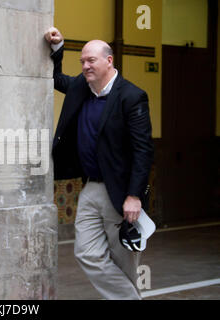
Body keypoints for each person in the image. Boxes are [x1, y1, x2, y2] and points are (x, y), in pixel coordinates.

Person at [44, 27, 154, 299]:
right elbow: (56, 78)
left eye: (90, 60)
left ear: (109, 61)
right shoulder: (82, 87)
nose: (85, 65)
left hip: (121, 190)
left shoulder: (131, 97)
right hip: (91, 186)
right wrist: (58, 48)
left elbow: (143, 150)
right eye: (82, 61)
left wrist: (134, 196)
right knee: (86, 252)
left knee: (124, 261)